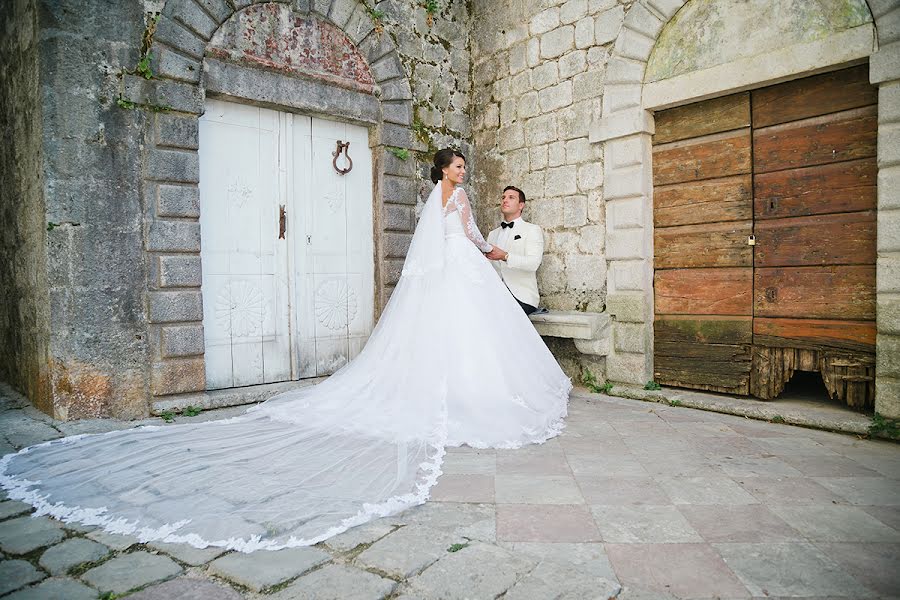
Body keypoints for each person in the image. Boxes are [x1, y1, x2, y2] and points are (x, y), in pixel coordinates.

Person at [0, 149, 571, 553]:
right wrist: (464, 258)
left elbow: (453, 237)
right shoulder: (446, 199)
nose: (462, 172)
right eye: (458, 167)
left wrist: (480, 253)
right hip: (454, 275)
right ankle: (464, 393)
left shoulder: (450, 199)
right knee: (459, 336)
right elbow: (448, 241)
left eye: (463, 168)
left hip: (457, 271)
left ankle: (467, 388)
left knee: (465, 337)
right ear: (444, 171)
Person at [486, 186, 544, 315]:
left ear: (521, 205)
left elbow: (533, 263)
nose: (505, 200)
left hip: (521, 297)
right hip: (495, 295)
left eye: (511, 197)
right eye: (503, 197)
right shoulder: (492, 235)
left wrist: (505, 256)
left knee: (498, 315)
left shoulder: (532, 230)